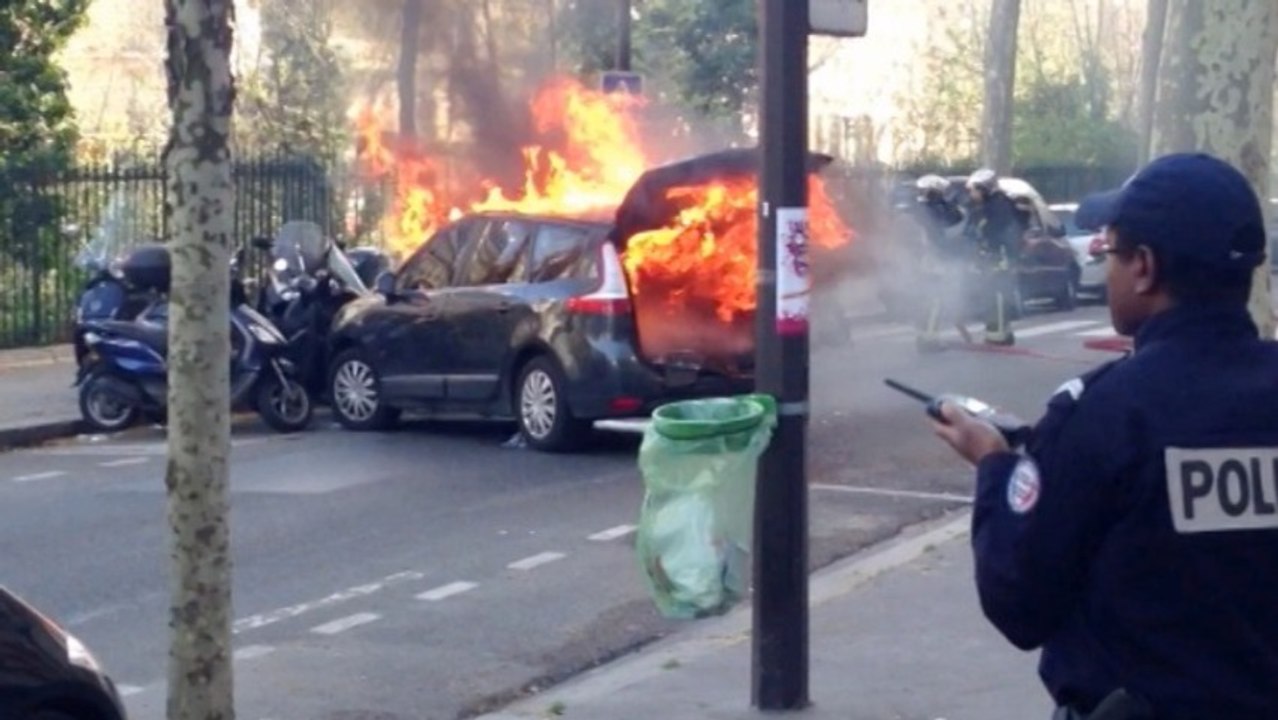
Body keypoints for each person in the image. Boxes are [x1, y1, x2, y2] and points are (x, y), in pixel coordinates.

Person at [932, 153, 1278, 720]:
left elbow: (1019, 602)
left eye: (1109, 250)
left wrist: (995, 467)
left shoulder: (1106, 412)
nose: (1105, 264)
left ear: (1143, 267)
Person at [965, 168, 1025, 345]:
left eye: (975, 190)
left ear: (984, 189)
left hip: (999, 258)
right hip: (995, 257)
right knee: (994, 295)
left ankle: (998, 334)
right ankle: (1001, 332)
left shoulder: (998, 206)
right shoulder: (994, 205)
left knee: (995, 296)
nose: (972, 194)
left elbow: (994, 233)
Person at [910, 175, 968, 349]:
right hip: (932, 259)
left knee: (927, 299)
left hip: (923, 260)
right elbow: (944, 230)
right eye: (942, 192)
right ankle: (930, 338)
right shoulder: (931, 210)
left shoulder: (919, 208)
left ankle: (924, 335)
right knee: (934, 299)